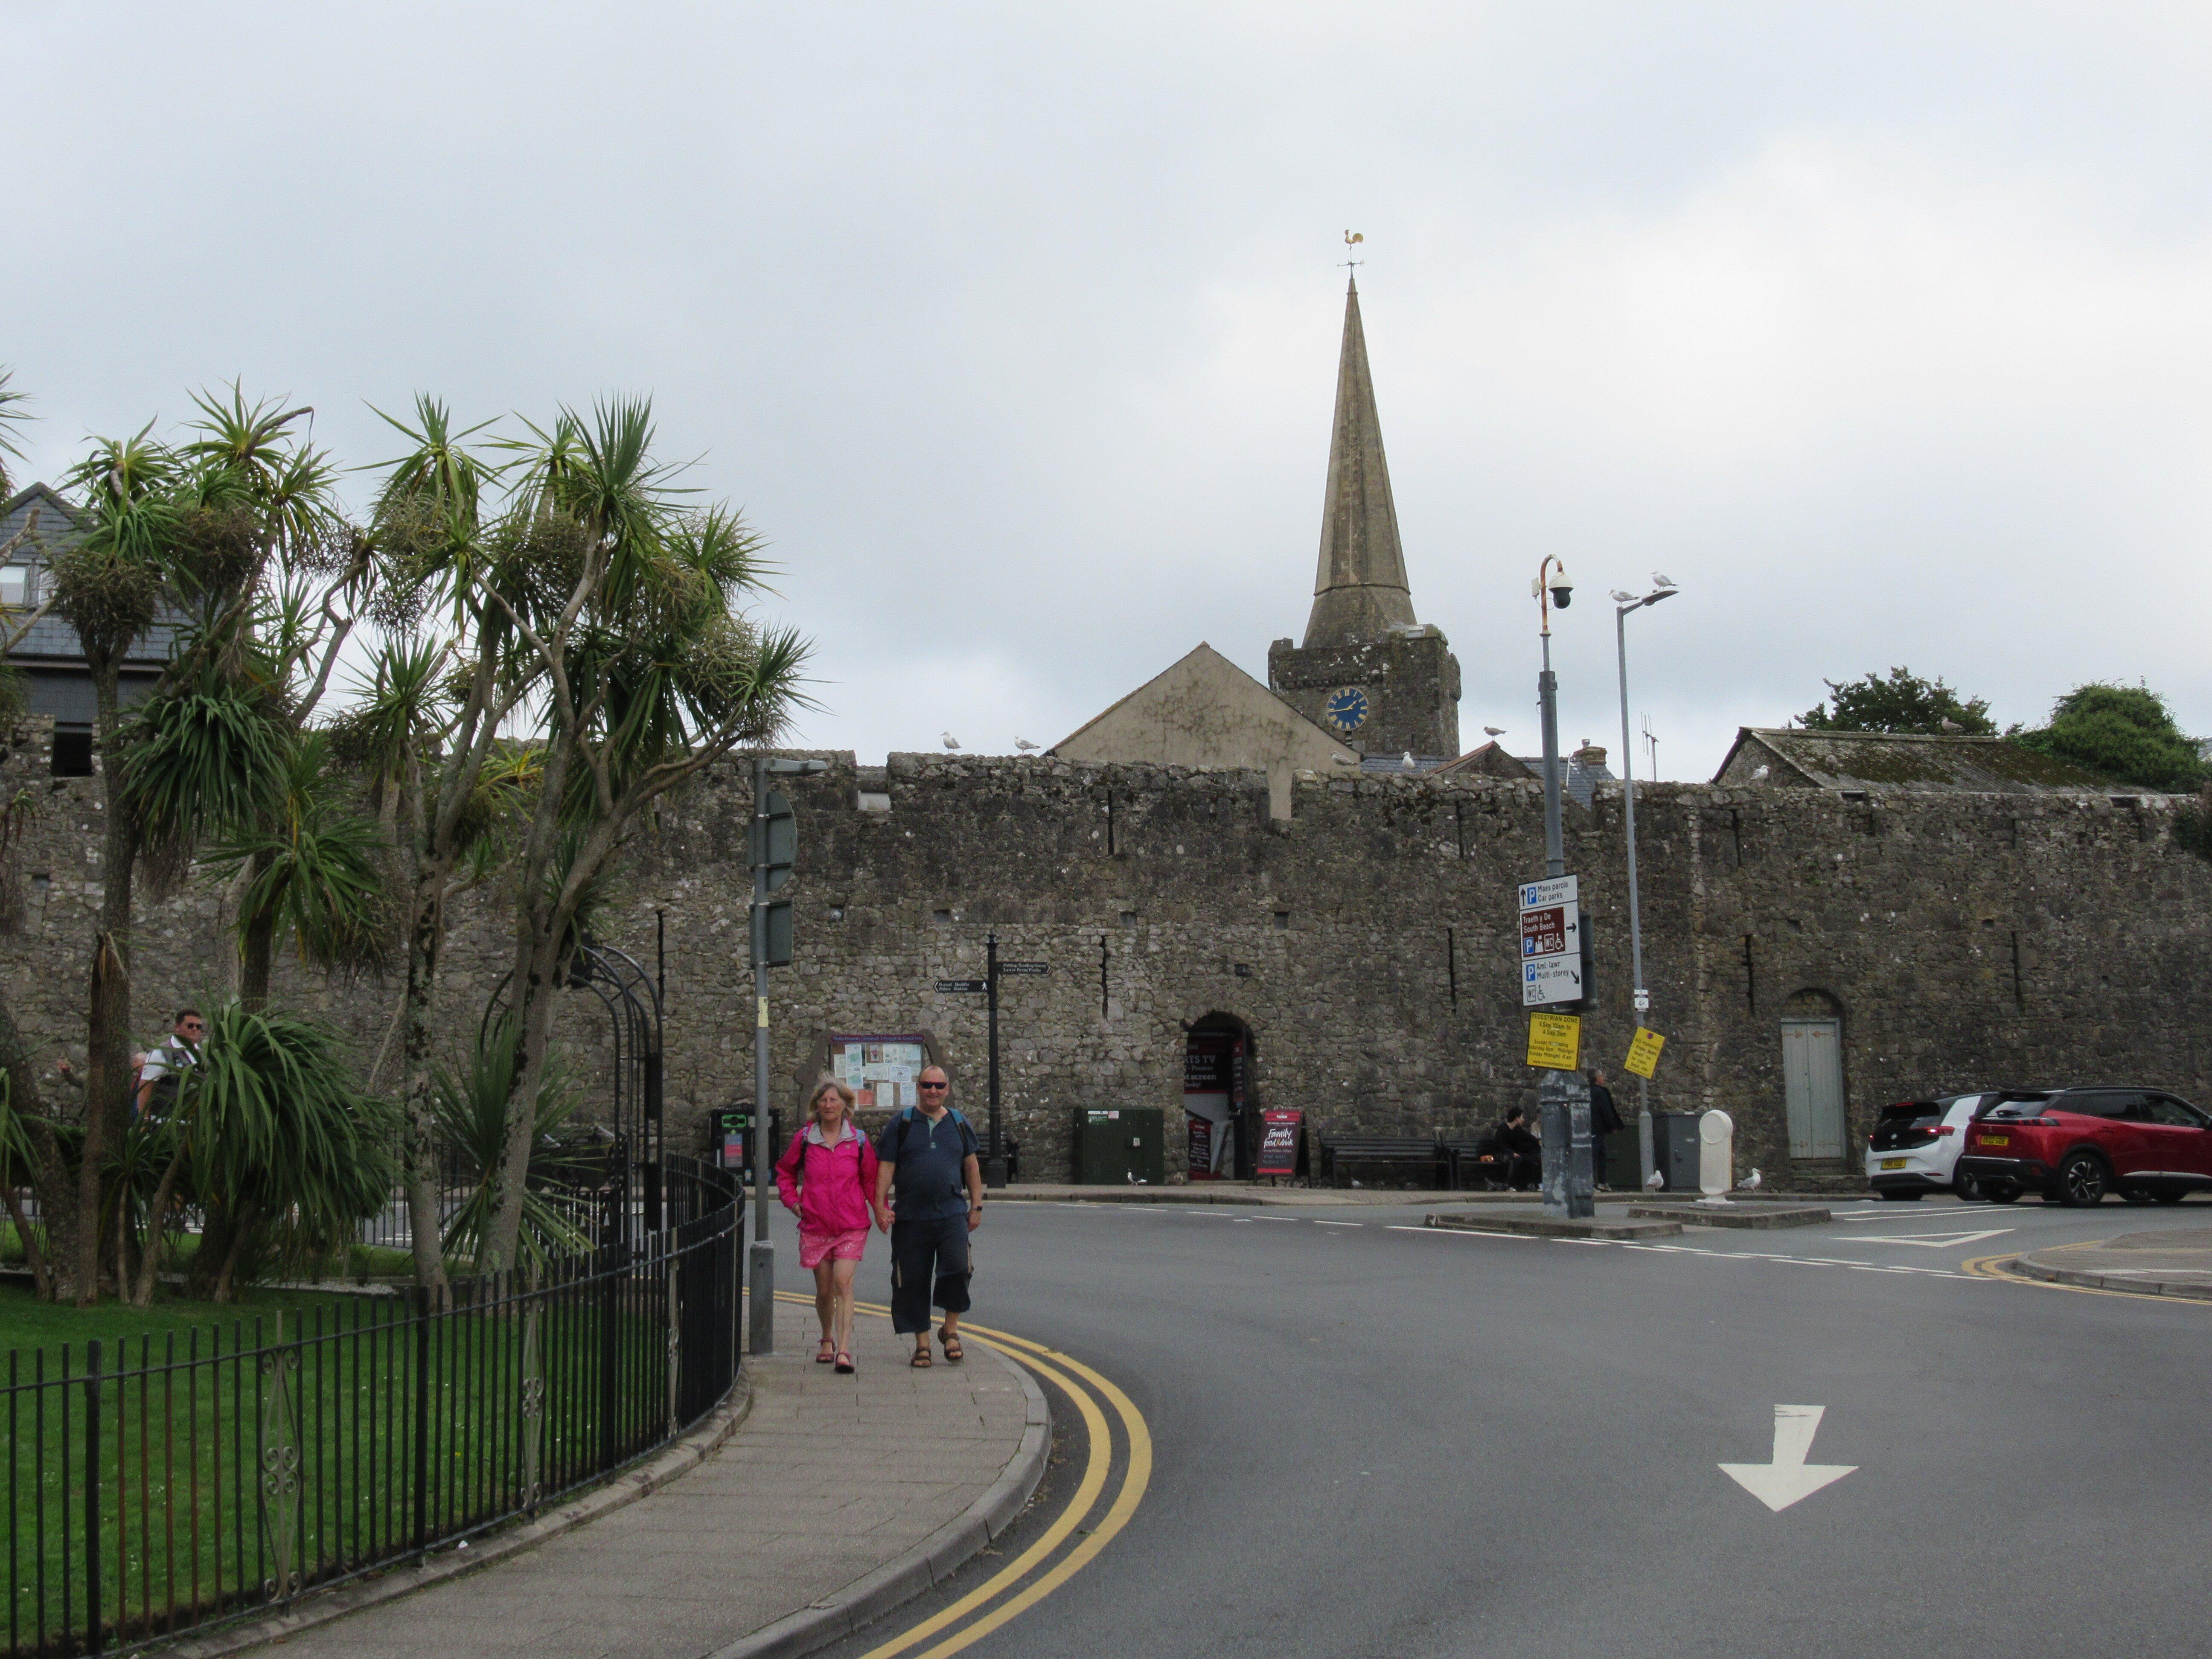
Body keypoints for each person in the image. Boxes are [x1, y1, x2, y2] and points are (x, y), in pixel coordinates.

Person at [873, 1064, 982, 1369]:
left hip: (951, 1213)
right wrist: (880, 1206)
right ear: (918, 1088)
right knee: (913, 1281)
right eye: (927, 1085)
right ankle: (922, 1344)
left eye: (939, 1085)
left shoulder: (959, 1123)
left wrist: (976, 1206)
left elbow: (972, 1167)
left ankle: (950, 1330)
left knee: (959, 1268)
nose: (933, 1091)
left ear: (947, 1089)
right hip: (910, 1217)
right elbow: (886, 1166)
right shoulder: (902, 1123)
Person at [776, 1075, 885, 1374]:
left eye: (834, 1100)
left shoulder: (859, 1141)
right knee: (824, 1291)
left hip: (851, 1225)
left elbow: (871, 1180)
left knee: (843, 1283)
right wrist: (794, 1203)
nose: (828, 1105)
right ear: (816, 1106)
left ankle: (845, 1350)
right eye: (823, 1101)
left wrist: (881, 1210)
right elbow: (785, 1173)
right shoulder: (804, 1139)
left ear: (845, 1105)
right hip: (816, 1226)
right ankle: (827, 1339)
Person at [137, 1008, 205, 1117]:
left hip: (193, 1123)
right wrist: (144, 1122)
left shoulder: (201, 1054)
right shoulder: (161, 1053)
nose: (195, 1029)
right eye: (190, 1026)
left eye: (199, 1027)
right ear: (177, 1028)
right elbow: (145, 1088)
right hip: (165, 1122)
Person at [1587, 1069, 1624, 1193]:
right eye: (1602, 1076)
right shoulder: (1600, 1092)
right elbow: (1606, 1111)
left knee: (1600, 1155)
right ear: (1597, 1078)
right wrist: (1613, 1125)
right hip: (1598, 1129)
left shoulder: (1586, 1091)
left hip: (1589, 1128)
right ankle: (1594, 1183)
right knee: (1596, 1156)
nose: (1604, 1078)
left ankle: (1601, 1182)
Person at [1491, 1105, 1542, 1191]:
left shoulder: (1517, 1129)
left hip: (1514, 1153)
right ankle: (1511, 1185)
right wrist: (1511, 1153)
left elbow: (1528, 1137)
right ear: (1517, 1118)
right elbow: (1500, 1145)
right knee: (1516, 1160)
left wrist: (1538, 1141)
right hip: (1502, 1153)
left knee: (1530, 1161)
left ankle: (1523, 1185)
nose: (1523, 1120)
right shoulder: (1503, 1129)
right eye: (1522, 1118)